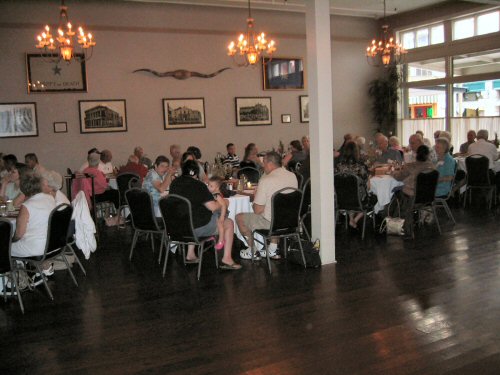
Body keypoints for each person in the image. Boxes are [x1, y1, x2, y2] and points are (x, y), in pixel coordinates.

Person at [169, 160, 241, 270]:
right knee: (228, 223)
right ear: (195, 173)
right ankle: (226, 259)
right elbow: (212, 207)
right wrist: (225, 202)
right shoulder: (199, 185)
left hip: (177, 228)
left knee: (192, 215)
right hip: (196, 229)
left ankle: (190, 254)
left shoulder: (174, 183)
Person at [236, 151, 298, 260]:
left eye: (264, 163)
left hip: (272, 224)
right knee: (274, 211)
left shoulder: (266, 180)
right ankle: (272, 250)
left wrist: (256, 197)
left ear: (269, 164)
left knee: (240, 217)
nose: (263, 166)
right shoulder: (292, 175)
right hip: (291, 221)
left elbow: (257, 211)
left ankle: (252, 251)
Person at [11, 172, 56, 279]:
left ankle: (18, 277)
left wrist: (10, 240)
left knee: (4, 247)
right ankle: (35, 268)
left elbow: (19, 235)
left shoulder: (27, 206)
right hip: (52, 244)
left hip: (36, 248)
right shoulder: (50, 198)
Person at [391, 145, 435, 237]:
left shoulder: (410, 166)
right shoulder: (432, 167)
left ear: (416, 154)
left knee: (394, 193)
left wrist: (392, 172)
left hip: (412, 197)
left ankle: (395, 223)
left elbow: (399, 177)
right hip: (428, 197)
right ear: (427, 155)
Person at [334, 141, 371, 228]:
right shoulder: (361, 166)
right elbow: (368, 187)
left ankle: (351, 218)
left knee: (350, 193)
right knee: (371, 198)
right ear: (356, 152)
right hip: (358, 200)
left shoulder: (338, 166)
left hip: (341, 199)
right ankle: (356, 219)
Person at [207, 176, 228, 250]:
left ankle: (221, 240)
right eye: (208, 185)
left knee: (220, 224)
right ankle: (211, 236)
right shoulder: (214, 194)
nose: (208, 187)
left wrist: (222, 217)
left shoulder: (217, 195)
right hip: (216, 212)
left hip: (220, 213)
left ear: (217, 187)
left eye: (211, 186)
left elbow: (224, 205)